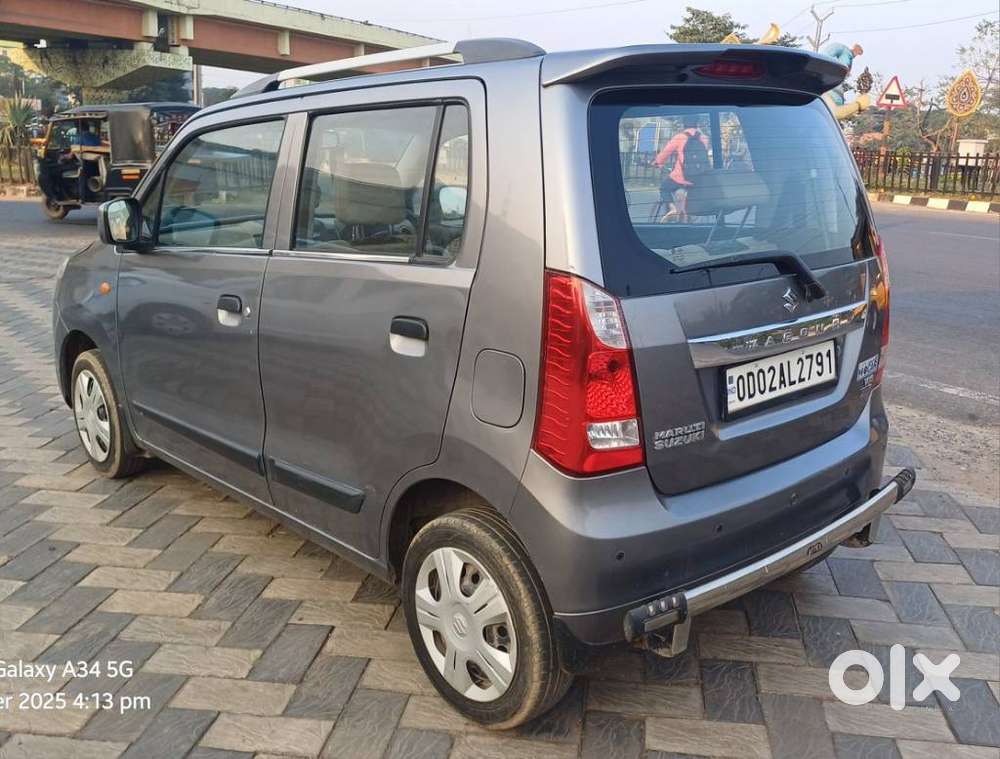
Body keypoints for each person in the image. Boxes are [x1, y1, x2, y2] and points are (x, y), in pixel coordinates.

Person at [652, 116, 710, 222]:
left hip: (679, 177)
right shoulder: (704, 138)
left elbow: (665, 153)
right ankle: (688, 214)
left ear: (684, 124)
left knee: (664, 188)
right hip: (698, 178)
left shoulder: (679, 137)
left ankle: (672, 208)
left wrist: (657, 163)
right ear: (697, 123)